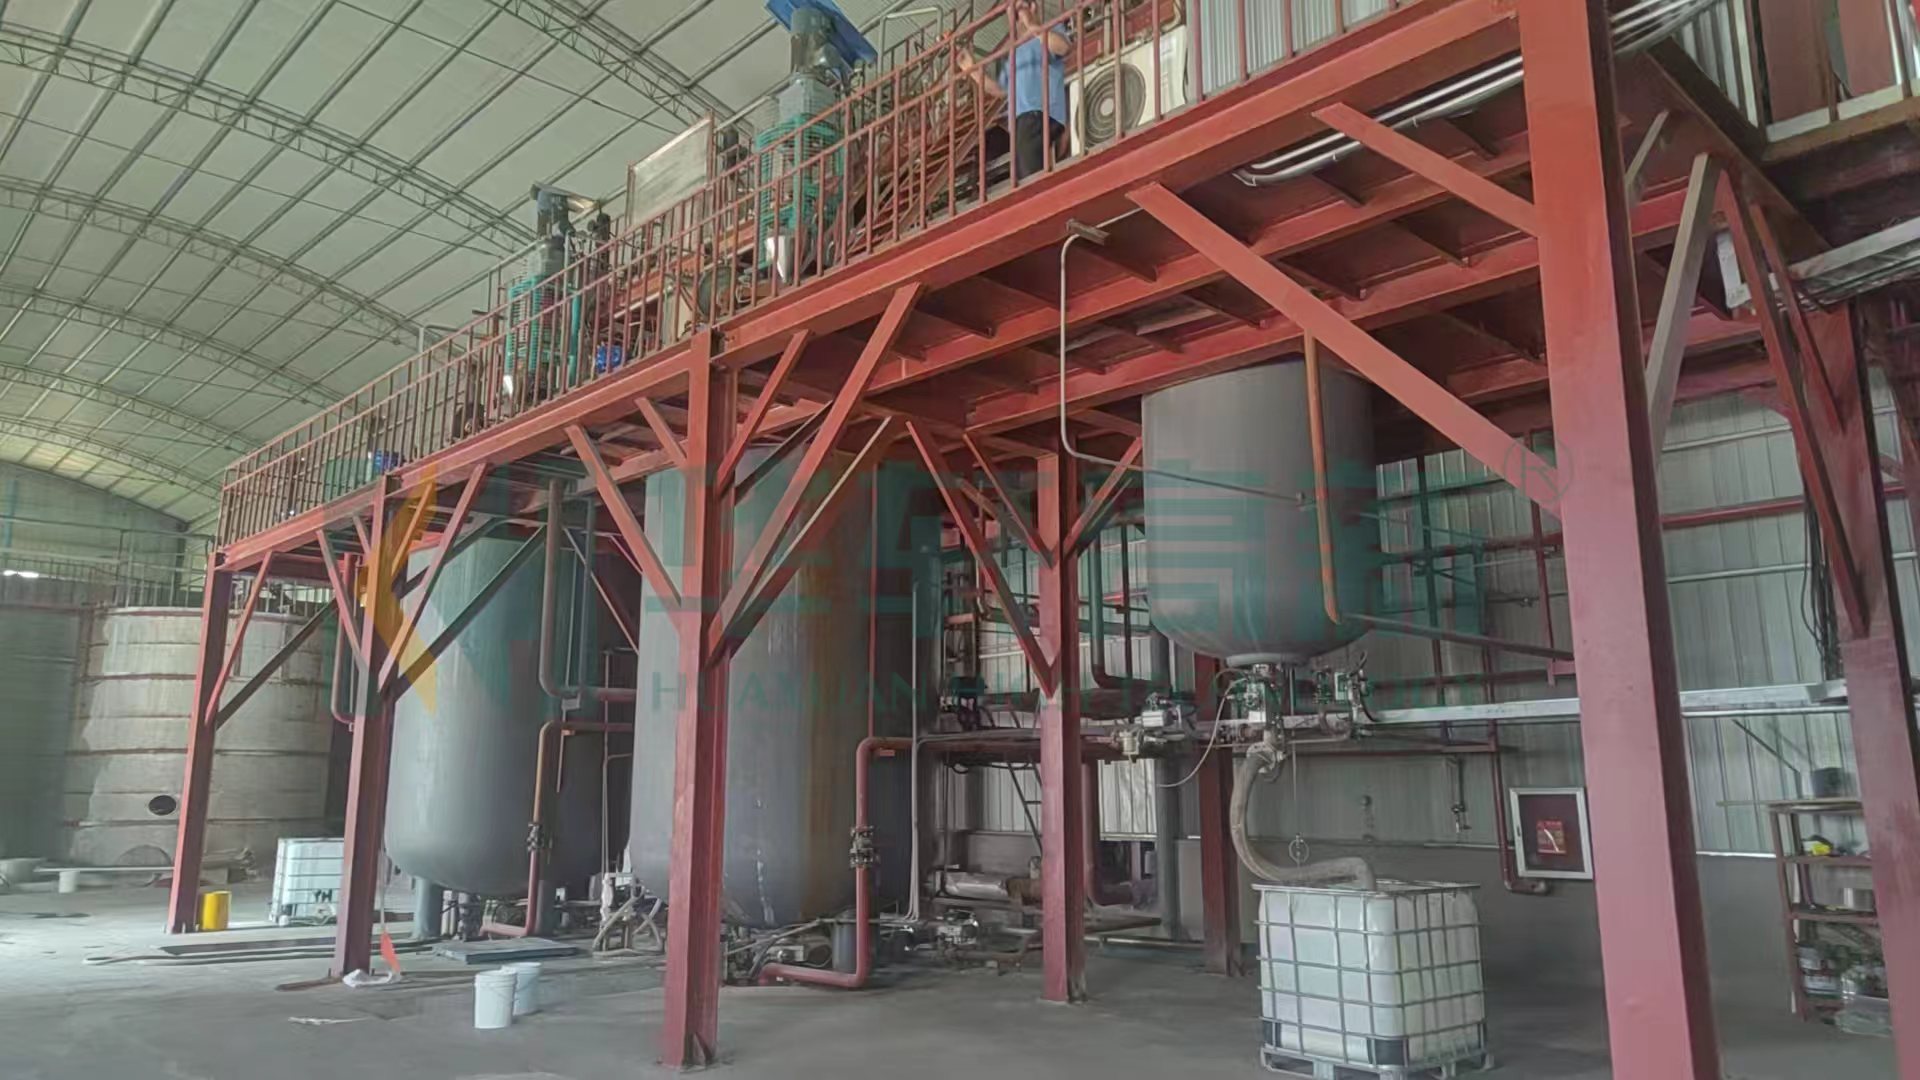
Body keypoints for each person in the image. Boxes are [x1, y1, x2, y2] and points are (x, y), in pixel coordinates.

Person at [959, 0, 1072, 182]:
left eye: (1018, 8)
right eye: (1010, 12)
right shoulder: (1014, 51)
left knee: (1030, 177)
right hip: (1021, 120)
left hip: (1039, 112)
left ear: (1032, 7)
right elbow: (1000, 89)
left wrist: (1033, 26)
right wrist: (972, 70)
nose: (1014, 15)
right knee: (1024, 172)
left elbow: (1063, 47)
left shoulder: (1048, 30)